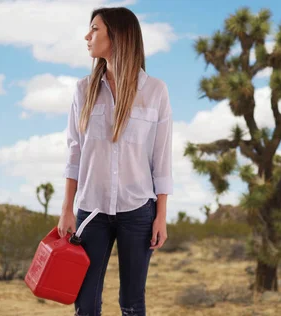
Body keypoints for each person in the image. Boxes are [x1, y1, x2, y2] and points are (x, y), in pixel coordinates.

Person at [57, 6, 173, 316]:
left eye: (94, 29)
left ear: (117, 35)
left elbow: (161, 159)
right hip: (90, 211)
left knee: (133, 303)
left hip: (138, 212)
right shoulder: (83, 90)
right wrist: (67, 209)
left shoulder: (155, 91)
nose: (87, 36)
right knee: (85, 304)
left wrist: (160, 215)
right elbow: (74, 153)